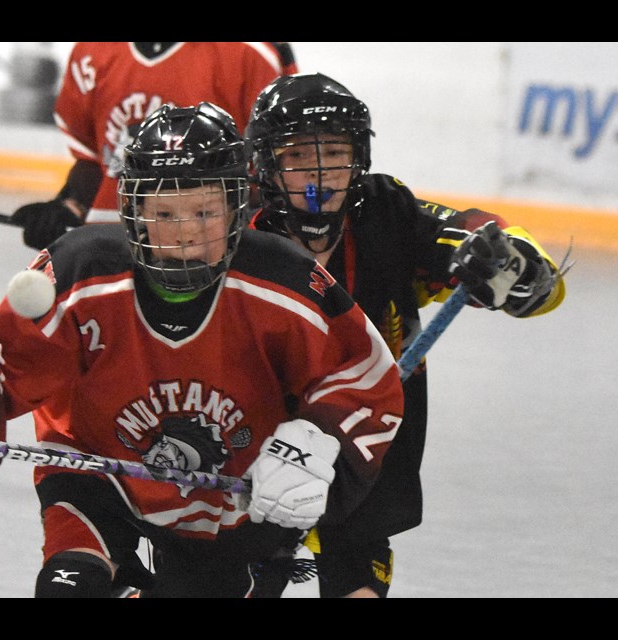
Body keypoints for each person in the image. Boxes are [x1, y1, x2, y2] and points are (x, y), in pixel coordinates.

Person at [0, 102, 405, 597]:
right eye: (163, 213)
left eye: (203, 212)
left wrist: (317, 440)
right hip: (95, 471)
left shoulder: (286, 281)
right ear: (132, 213)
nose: (183, 236)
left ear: (235, 208)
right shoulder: (81, 268)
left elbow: (362, 375)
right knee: (69, 585)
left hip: (234, 501)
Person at [243, 72, 567, 598]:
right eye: (300, 155)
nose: (320, 174)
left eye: (336, 153)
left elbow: (493, 244)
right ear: (266, 165)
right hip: (250, 467)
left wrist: (515, 262)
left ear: (360, 158)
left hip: (363, 469)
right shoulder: (237, 235)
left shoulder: (388, 213)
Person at [10, 42, 298, 251]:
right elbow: (95, 160)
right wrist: (68, 206)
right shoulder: (92, 51)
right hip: (108, 251)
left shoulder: (251, 54)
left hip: (207, 255)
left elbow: (277, 170)